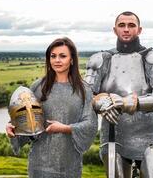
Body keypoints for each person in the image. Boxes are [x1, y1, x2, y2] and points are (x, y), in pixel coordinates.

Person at [85, 11, 153, 177]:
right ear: (115, 30)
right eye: (122, 25)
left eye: (131, 25)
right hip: (113, 139)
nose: (126, 29)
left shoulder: (152, 57)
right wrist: (102, 102)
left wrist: (134, 102)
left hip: (148, 138)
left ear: (139, 30)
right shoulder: (102, 59)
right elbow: (85, 97)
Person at [6, 37, 98, 178]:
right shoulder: (38, 87)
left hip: (69, 164)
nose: (57, 60)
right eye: (53, 56)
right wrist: (13, 128)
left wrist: (65, 128)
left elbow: (90, 125)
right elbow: (27, 121)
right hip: (39, 163)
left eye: (62, 56)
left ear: (72, 59)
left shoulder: (83, 90)